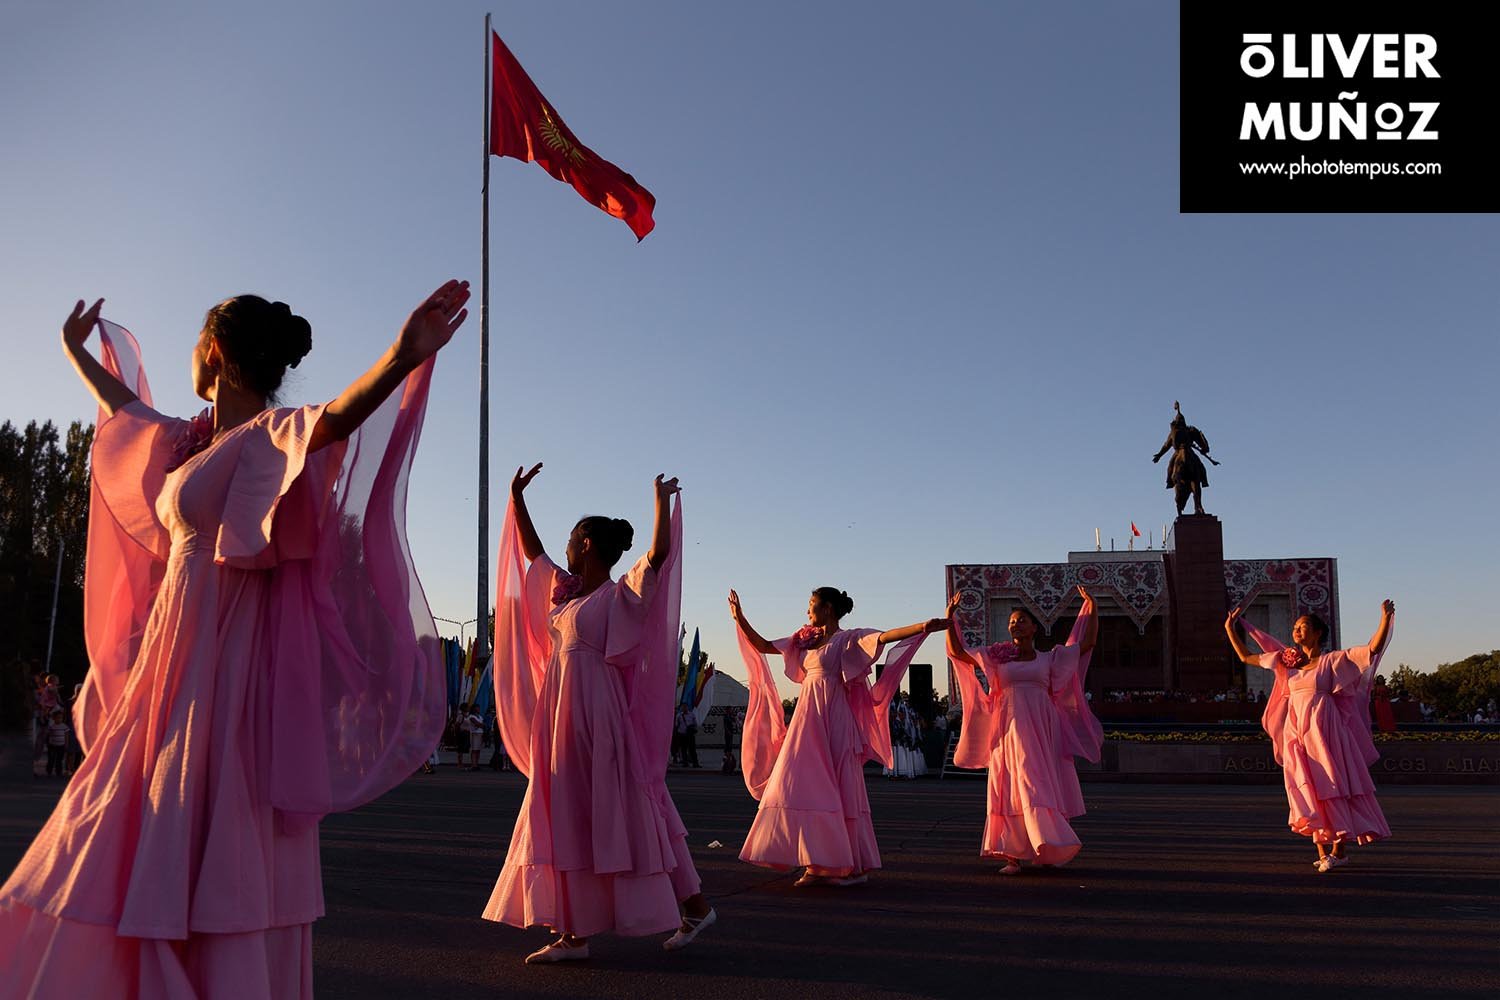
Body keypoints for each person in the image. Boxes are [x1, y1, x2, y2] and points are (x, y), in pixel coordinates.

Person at [1, 284, 467, 997]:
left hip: (227, 655)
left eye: (194, 343)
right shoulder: (190, 441)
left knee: (210, 808)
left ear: (214, 351)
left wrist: (401, 357)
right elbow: (127, 411)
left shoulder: (269, 435)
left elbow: (335, 419)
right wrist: (74, 351)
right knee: (133, 808)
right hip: (175, 650)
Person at [485, 464, 714, 964]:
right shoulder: (566, 592)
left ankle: (673, 911)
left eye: (573, 537)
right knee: (576, 809)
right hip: (562, 710)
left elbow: (657, 557)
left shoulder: (619, 593)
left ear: (587, 545)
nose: (566, 545)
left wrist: (658, 502)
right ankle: (578, 932)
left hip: (598, 713)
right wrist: (517, 500)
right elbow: (533, 554)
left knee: (623, 807)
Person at [730, 587, 946, 886]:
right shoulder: (804, 639)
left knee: (839, 785)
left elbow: (884, 636)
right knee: (798, 781)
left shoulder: (849, 638)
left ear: (828, 608)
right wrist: (740, 618)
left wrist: (923, 627)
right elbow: (765, 646)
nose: (808, 611)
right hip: (808, 716)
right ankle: (817, 859)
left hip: (835, 715)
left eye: (812, 604)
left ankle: (848, 865)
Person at [1225, 601, 1395, 872]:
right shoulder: (1287, 662)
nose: (1296, 631)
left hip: (1325, 731)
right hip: (1297, 732)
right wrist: (1229, 629)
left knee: (1333, 783)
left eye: (1302, 627)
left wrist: (1384, 619)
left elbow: (1371, 650)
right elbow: (1247, 657)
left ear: (1317, 633)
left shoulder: (1332, 661)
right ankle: (1322, 850)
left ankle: (1338, 850)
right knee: (1307, 786)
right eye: (1294, 628)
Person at [946, 588, 1101, 873]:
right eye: (1012, 621)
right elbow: (957, 652)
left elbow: (1088, 643)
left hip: (1042, 727)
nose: (1015, 624)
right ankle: (1012, 855)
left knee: (1036, 781)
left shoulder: (1049, 658)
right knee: (1010, 783)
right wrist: (949, 619)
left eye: (1021, 620)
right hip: (1008, 726)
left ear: (1034, 628)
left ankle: (1047, 846)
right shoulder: (997, 656)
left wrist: (1092, 606)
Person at [43, 710, 70, 779]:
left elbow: (66, 735)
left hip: (61, 745)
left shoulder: (64, 726)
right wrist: (47, 742)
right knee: (51, 759)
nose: (59, 719)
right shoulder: (52, 726)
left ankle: (58, 772)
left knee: (59, 759)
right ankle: (49, 771)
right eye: (57, 718)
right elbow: (48, 734)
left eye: (60, 718)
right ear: (54, 718)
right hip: (53, 745)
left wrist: (66, 744)